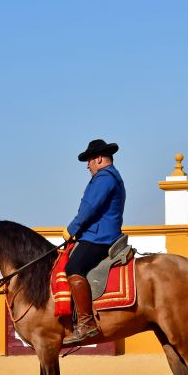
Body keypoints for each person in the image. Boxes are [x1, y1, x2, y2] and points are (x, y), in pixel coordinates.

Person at [62, 139, 126, 346]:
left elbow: (89, 208)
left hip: (100, 237)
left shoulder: (104, 178)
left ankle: (86, 323)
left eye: (89, 160)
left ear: (98, 158)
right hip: (98, 234)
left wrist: (71, 229)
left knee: (73, 267)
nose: (87, 165)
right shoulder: (111, 177)